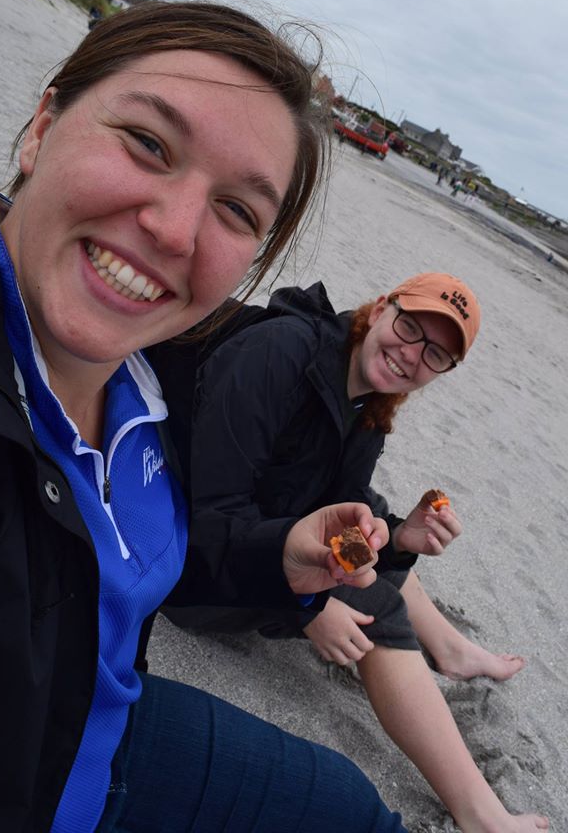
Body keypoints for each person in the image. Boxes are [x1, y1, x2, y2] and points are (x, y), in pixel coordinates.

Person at [0, 1, 407, 832]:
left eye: (236, 211)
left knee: (358, 810)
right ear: (45, 124)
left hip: (93, 724)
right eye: (148, 144)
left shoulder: (155, 369)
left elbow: (97, 561)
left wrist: (278, 557)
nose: (173, 229)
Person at [152, 273, 548, 833]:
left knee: (368, 523)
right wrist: (307, 608)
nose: (411, 355)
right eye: (409, 328)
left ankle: (449, 649)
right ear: (381, 308)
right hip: (176, 560)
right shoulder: (281, 353)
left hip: (240, 538)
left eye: (435, 354)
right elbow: (209, 521)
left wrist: (399, 537)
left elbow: (339, 510)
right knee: (375, 603)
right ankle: (481, 814)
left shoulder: (366, 403)